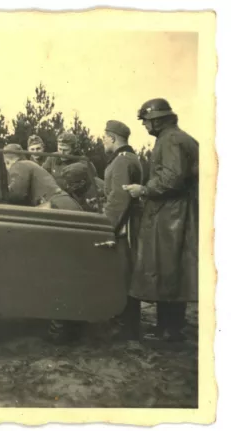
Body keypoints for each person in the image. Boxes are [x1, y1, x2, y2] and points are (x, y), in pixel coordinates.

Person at [123, 98, 199, 343]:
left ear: (157, 119)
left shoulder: (171, 140)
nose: (144, 126)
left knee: (167, 268)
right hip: (175, 211)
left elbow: (172, 178)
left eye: (145, 121)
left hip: (171, 214)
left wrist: (143, 190)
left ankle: (169, 330)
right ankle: (169, 326)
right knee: (171, 269)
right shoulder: (177, 138)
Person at [102, 120, 144, 341]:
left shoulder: (121, 162)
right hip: (130, 221)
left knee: (123, 271)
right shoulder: (130, 158)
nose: (103, 141)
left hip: (124, 224)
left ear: (112, 138)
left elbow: (118, 199)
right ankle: (127, 323)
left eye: (104, 137)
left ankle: (126, 326)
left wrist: (105, 227)